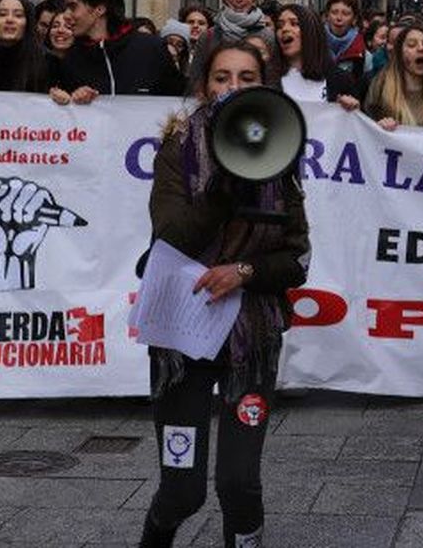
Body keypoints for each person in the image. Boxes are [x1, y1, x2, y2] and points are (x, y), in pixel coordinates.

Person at [138, 42, 309, 548]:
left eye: (247, 78)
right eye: (221, 78)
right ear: (203, 87)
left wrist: (245, 270)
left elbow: (297, 259)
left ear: (264, 86)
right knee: (182, 490)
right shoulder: (176, 151)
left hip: (250, 341)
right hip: (181, 340)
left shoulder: (280, 157)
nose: (233, 88)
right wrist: (226, 184)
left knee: (238, 483)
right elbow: (172, 235)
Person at [52, 0, 184, 99]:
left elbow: (178, 102)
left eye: (73, 7)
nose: (66, 15)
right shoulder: (71, 58)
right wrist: (71, 99)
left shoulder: (152, 49)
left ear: (100, 9)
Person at [275, 3, 358, 106]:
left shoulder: (340, 80)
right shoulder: (268, 77)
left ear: (310, 31)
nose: (285, 29)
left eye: (294, 24)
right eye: (279, 25)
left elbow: (351, 120)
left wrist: (353, 109)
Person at [322, 0, 369, 94]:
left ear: (354, 19)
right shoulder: (313, 45)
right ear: (327, 15)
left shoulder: (364, 56)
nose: (339, 18)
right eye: (334, 12)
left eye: (346, 13)